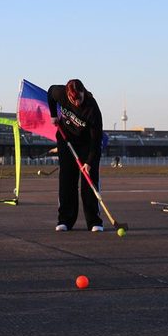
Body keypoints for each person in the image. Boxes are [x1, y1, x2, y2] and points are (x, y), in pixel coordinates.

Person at [47, 79, 104, 232]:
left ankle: (94, 221)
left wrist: (89, 162)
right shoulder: (60, 93)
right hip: (67, 141)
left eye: (79, 98)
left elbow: (96, 141)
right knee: (67, 180)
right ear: (68, 95)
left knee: (89, 182)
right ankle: (65, 220)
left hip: (88, 144)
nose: (77, 102)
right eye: (73, 100)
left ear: (83, 92)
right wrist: (53, 115)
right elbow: (50, 92)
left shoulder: (92, 108)